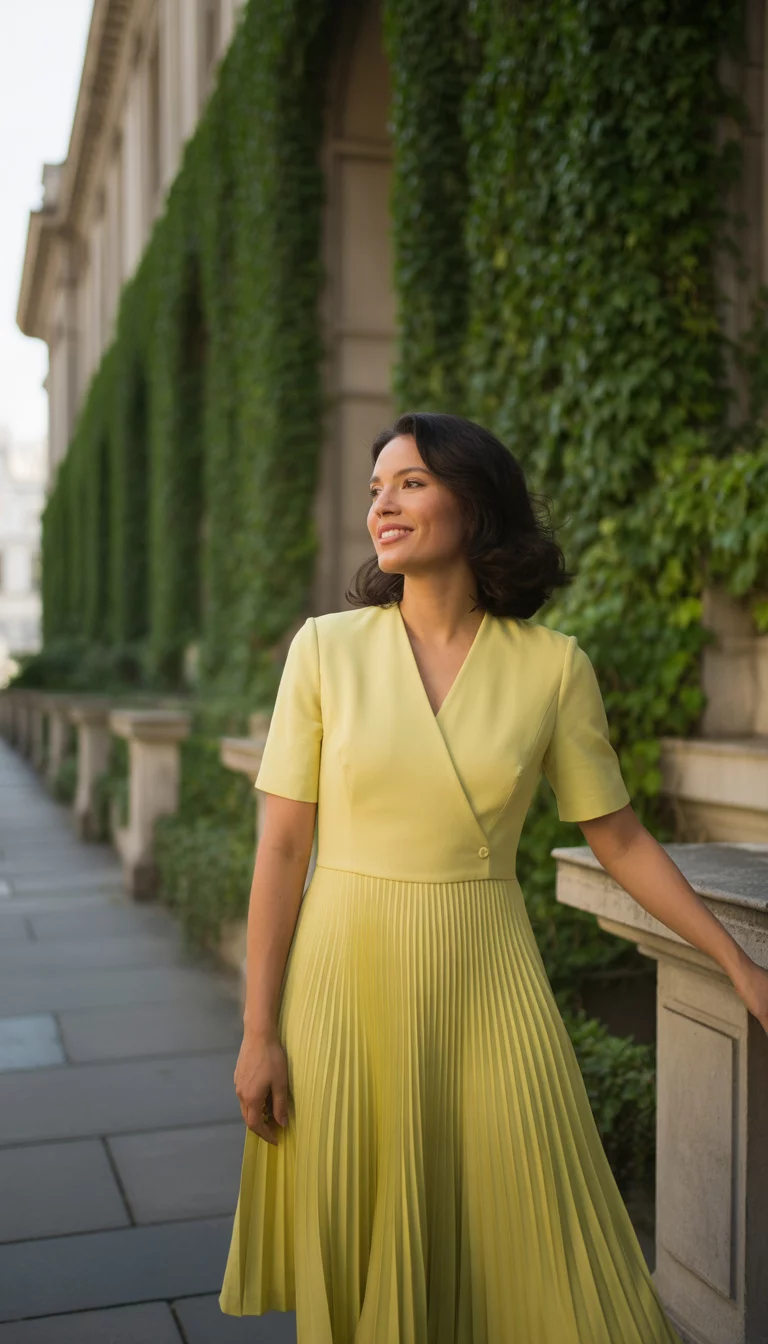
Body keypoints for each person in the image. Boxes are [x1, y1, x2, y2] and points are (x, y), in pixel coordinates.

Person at [219, 411, 768, 1343]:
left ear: (474, 505)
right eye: (375, 489)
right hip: (343, 978)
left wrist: (742, 965)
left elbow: (621, 838)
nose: (382, 505)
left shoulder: (553, 669)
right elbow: (281, 849)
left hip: (486, 978)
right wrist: (258, 1030)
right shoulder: (324, 649)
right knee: (370, 1261)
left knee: (543, 1250)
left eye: (410, 483)